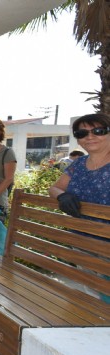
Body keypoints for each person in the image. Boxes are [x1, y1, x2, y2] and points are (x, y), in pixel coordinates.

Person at [49, 113, 109, 303]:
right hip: (83, 241)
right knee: (93, 295)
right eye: (82, 133)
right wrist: (62, 195)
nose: (89, 137)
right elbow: (55, 187)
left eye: (98, 131)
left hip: (106, 245)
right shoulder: (79, 164)